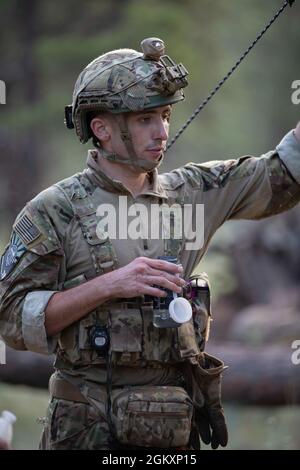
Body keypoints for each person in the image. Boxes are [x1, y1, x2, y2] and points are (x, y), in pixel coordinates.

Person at [0, 37, 300, 451]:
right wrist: (109, 285)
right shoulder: (54, 210)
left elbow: (285, 172)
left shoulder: (195, 191)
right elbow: (10, 317)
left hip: (175, 434)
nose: (161, 131)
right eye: (144, 119)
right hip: (85, 432)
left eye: (164, 115)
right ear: (101, 129)